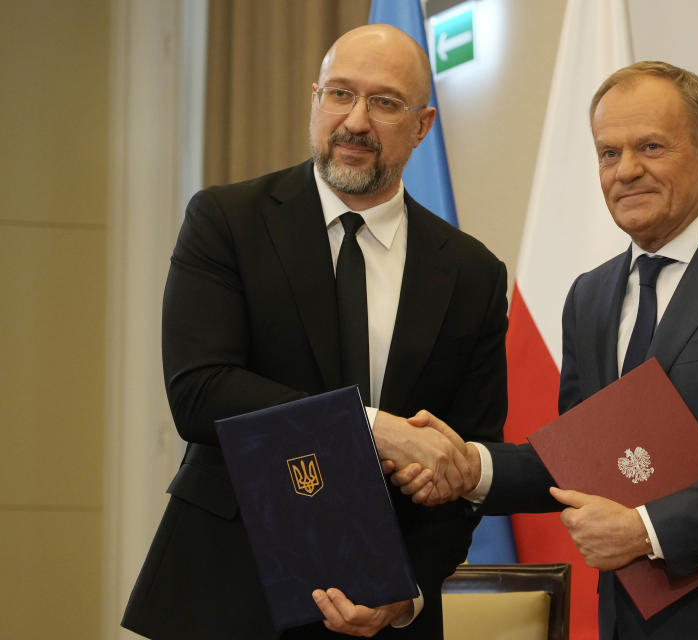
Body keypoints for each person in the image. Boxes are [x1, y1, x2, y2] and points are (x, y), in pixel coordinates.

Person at [392, 61, 698, 639]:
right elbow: (584, 459)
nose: (627, 171)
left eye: (651, 147)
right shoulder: (590, 296)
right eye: (608, 153)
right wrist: (473, 467)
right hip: (629, 622)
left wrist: (646, 529)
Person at [121, 25, 507, 640]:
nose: (355, 121)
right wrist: (373, 426)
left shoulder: (471, 272)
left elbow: (466, 457)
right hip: (224, 592)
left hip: (381, 611)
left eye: (384, 103)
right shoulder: (227, 220)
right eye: (339, 94)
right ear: (314, 99)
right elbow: (199, 392)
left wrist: (404, 595)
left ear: (423, 125)